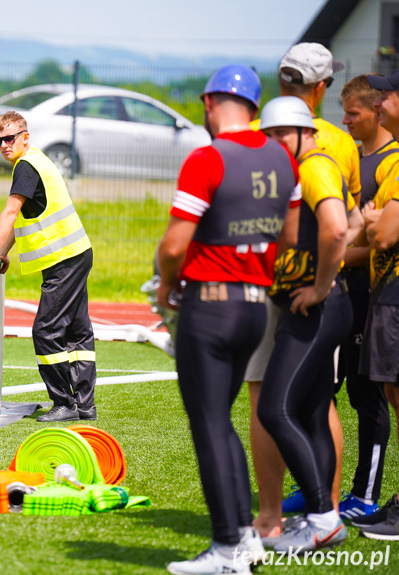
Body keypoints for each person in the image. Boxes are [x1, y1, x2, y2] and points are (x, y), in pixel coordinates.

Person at [156, 66, 299, 575]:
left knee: (211, 423)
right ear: (255, 107)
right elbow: (289, 235)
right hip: (255, 306)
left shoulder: (208, 157)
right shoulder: (282, 157)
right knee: (223, 422)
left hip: (210, 306)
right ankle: (244, 537)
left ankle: (227, 551)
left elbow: (175, 244)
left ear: (211, 103)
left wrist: (168, 282)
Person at [245, 42, 361, 537]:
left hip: (305, 297)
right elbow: (351, 220)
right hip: (300, 294)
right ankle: (321, 514)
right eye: (269, 133)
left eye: (279, 134)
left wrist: (318, 284)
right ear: (320, 89)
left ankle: (304, 516)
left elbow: (337, 227)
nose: (271, 141)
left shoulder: (312, 157)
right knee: (313, 406)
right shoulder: (334, 144)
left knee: (271, 404)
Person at [0, 110, 94, 423]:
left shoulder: (26, 166)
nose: (4, 145)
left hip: (63, 259)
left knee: (46, 330)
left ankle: (64, 403)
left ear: (25, 136)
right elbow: (21, 218)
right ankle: (83, 404)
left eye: (10, 138)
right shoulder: (36, 160)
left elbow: (11, 213)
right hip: (75, 254)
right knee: (77, 332)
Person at [334, 74, 399, 519]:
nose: (347, 120)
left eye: (353, 112)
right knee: (322, 391)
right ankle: (324, 490)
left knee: (370, 395)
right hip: (352, 291)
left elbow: (380, 234)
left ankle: (365, 494)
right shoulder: (355, 156)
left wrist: (336, 255)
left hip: (372, 293)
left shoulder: (392, 160)